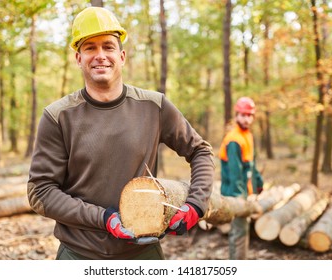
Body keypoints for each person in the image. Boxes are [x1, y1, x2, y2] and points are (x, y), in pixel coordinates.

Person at [27, 6, 214, 260]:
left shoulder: (154, 106)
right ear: (78, 58)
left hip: (143, 252)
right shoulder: (58, 116)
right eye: (90, 47)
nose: (100, 55)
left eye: (108, 46)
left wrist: (196, 204)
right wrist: (104, 219)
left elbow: (200, 150)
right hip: (79, 254)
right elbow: (40, 191)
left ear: (122, 56)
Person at [218, 97, 264, 260]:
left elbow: (251, 164)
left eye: (250, 115)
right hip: (234, 193)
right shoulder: (233, 140)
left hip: (245, 192)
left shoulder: (247, 136)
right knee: (239, 232)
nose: (247, 119)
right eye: (243, 115)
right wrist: (239, 199)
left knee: (242, 230)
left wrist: (258, 183)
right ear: (237, 115)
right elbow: (235, 172)